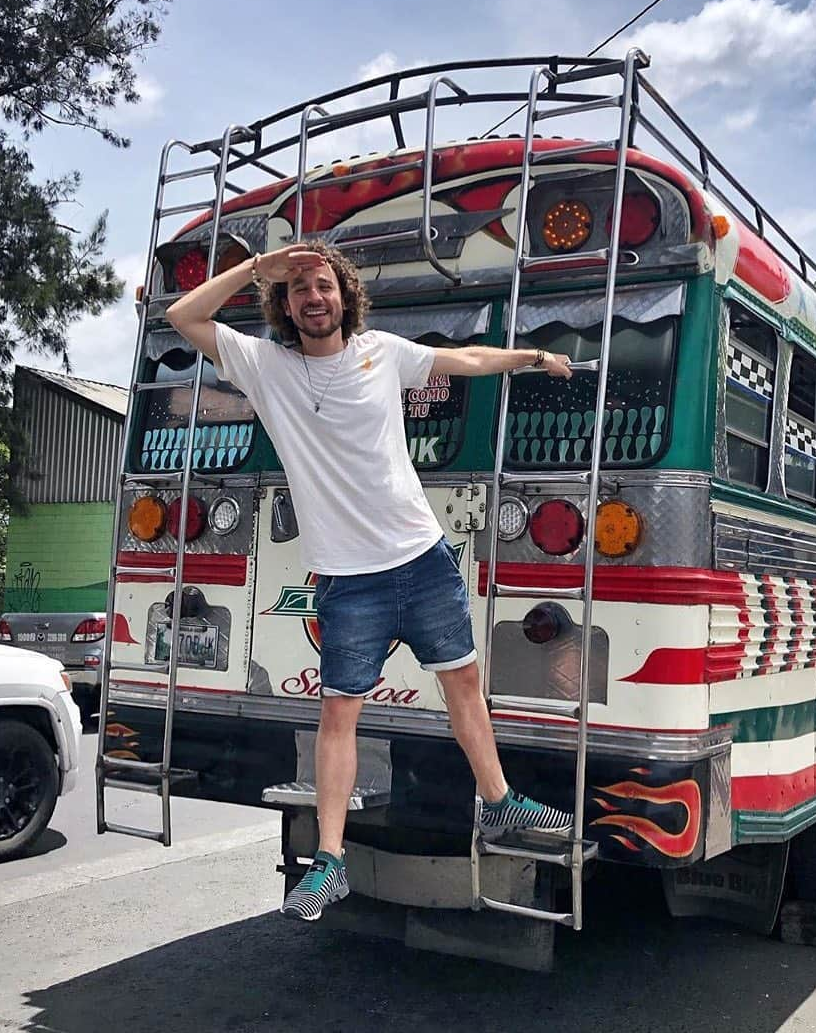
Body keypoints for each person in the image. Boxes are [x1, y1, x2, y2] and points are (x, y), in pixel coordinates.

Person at [167, 240, 577, 922]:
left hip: (421, 558)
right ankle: (330, 864)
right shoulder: (265, 365)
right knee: (339, 715)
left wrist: (532, 357)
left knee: (463, 683)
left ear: (343, 294)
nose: (312, 297)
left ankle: (500, 803)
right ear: (285, 304)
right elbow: (184, 316)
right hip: (347, 579)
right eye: (298, 289)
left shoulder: (382, 351)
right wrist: (253, 269)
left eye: (322, 285)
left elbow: (468, 361)